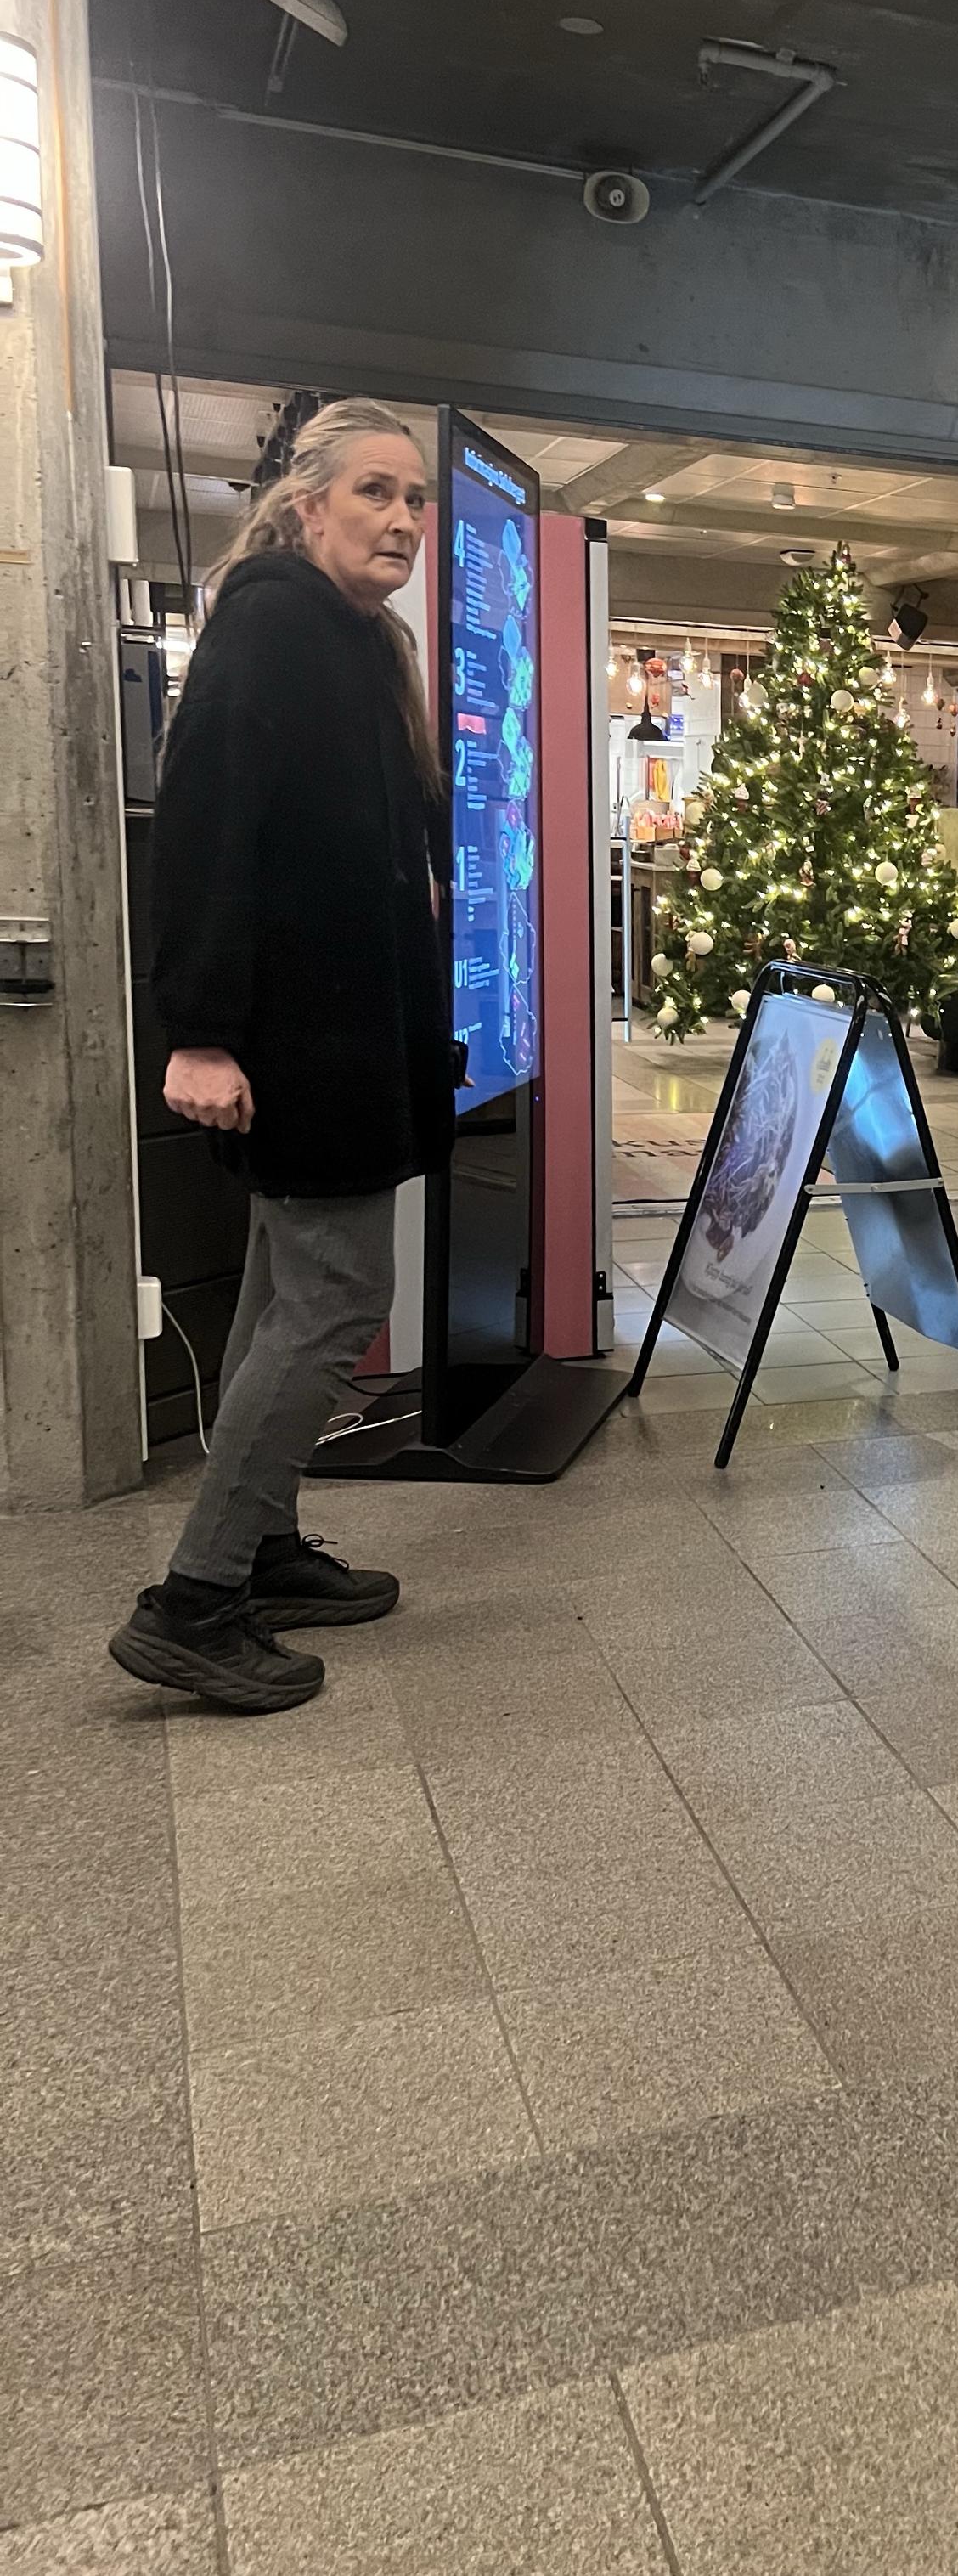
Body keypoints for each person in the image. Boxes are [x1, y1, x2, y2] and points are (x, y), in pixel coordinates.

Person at [110, 400, 456, 1715]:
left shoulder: (358, 646)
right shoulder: (267, 630)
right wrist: (196, 1031)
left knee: (280, 1295)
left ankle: (256, 1544)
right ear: (307, 502)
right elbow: (205, 828)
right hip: (298, 1037)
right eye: (376, 492)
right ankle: (193, 1600)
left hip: (345, 1028)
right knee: (333, 1300)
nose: (403, 521)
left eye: (415, 500)